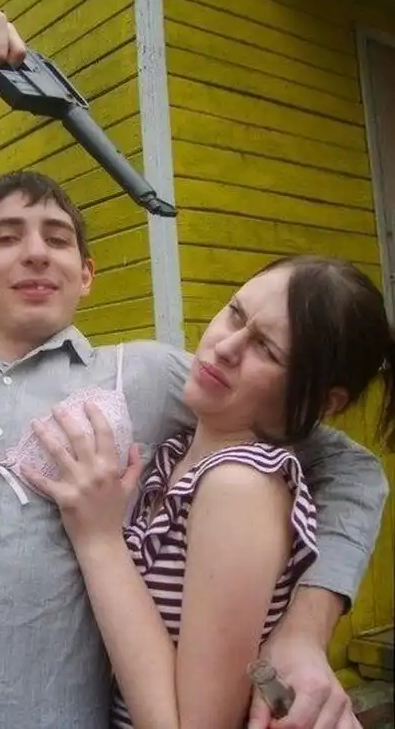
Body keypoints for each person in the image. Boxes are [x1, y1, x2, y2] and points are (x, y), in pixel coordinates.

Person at [0, 1, 387, 729]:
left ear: (87, 277)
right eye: (6, 236)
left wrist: (305, 626)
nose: (35, 252)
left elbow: (352, 471)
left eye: (57, 239)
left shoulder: (150, 378)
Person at [20, 254, 395, 728]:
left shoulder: (241, 485)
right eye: (235, 313)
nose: (225, 346)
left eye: (267, 349)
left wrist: (99, 540)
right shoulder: (175, 456)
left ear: (324, 402)